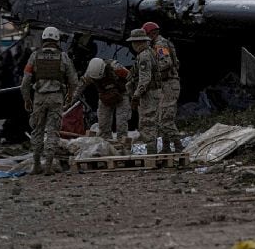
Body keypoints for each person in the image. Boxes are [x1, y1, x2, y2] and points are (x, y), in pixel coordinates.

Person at [21, 27, 78, 175]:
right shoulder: (63, 57)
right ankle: (49, 165)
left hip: (39, 98)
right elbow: (73, 80)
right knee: (53, 131)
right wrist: (70, 96)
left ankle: (36, 165)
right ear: (57, 40)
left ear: (44, 40)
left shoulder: (34, 56)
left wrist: (27, 99)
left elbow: (25, 81)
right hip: (56, 98)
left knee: (37, 130)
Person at [141, 22, 181, 153]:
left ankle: (178, 145)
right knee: (162, 117)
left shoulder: (160, 45)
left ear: (152, 34)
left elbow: (166, 62)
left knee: (166, 118)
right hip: (164, 84)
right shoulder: (157, 44)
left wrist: (151, 70)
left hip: (169, 83)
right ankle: (166, 147)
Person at [76, 56, 132, 145]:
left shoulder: (115, 68)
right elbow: (80, 86)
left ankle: (122, 143)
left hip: (122, 94)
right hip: (105, 96)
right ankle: (105, 142)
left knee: (121, 120)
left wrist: (135, 94)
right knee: (103, 122)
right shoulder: (90, 74)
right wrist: (72, 98)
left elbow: (131, 78)